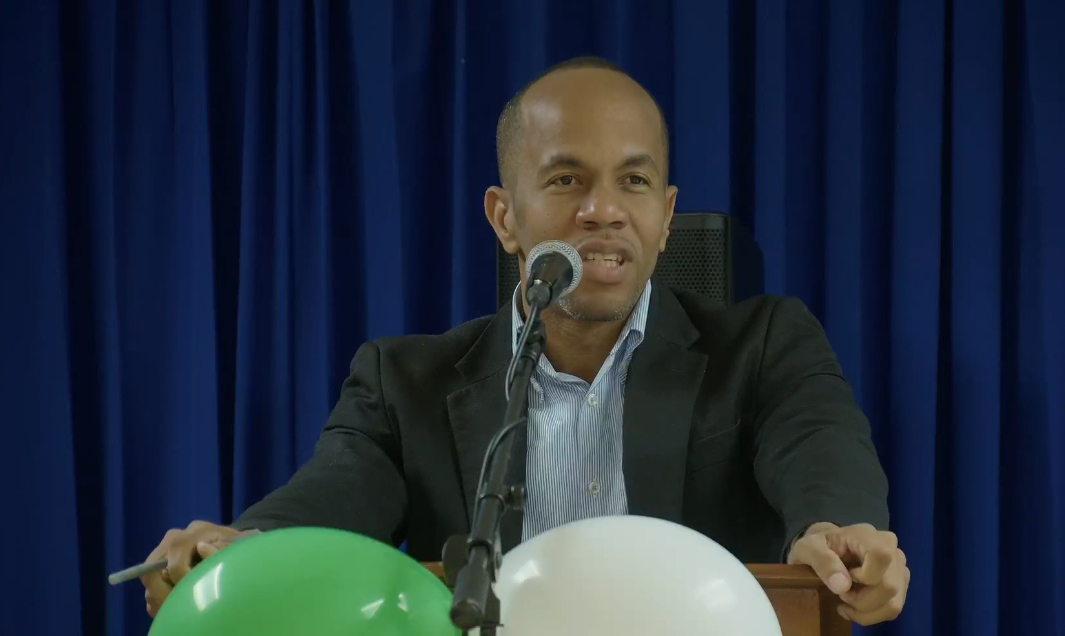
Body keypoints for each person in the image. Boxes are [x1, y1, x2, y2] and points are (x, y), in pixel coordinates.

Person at [142, 57, 909, 626]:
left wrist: (837, 533)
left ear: (666, 217)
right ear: (504, 217)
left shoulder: (764, 345)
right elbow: (333, 496)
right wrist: (244, 546)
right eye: (567, 180)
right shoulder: (404, 381)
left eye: (634, 182)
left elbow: (821, 453)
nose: (603, 210)